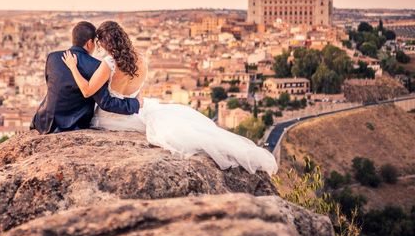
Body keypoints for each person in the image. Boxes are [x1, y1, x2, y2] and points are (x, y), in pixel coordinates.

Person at [62, 20, 278, 176]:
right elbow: (137, 93)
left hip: (111, 117)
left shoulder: (108, 64)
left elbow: (88, 90)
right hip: (137, 108)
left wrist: (73, 67)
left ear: (106, 44)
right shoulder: (141, 60)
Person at [31, 21, 142, 134]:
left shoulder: (52, 57)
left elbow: (53, 87)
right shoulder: (95, 66)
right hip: (73, 124)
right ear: (89, 43)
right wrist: (135, 103)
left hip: (43, 121)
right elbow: (106, 103)